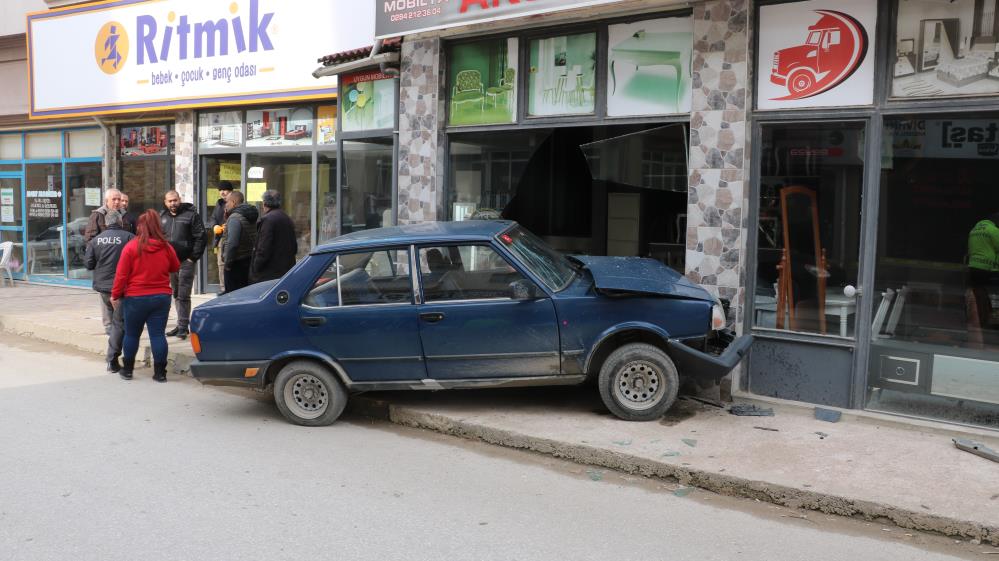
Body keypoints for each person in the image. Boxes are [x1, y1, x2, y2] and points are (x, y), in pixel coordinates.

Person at [110, 209, 180, 382]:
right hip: (161, 297)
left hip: (135, 298)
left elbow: (121, 275)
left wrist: (115, 295)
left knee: (132, 334)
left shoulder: (131, 247)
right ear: (157, 226)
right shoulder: (166, 247)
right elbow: (175, 267)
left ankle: (127, 370)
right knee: (157, 335)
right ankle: (160, 373)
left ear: (140, 226)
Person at [83, 209, 135, 373]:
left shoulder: (96, 240)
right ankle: (113, 359)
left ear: (105, 224)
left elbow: (88, 264)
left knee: (116, 324)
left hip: (104, 288)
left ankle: (115, 358)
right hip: (122, 288)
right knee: (120, 325)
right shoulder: (129, 238)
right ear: (120, 222)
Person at [160, 190, 206, 339]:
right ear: (165, 202)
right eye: (170, 201)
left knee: (183, 295)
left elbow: (201, 237)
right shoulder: (162, 217)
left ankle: (183, 326)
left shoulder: (191, 215)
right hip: (169, 262)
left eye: (175, 200)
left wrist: (192, 258)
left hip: (186, 261)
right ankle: (182, 325)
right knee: (176, 293)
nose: (173, 203)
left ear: (179, 199)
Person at [251, 190, 297, 283]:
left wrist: (256, 267)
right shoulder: (286, 217)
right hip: (285, 269)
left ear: (264, 203)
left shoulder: (268, 220)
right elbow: (294, 246)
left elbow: (263, 247)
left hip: (269, 273)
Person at [967, 212, 999, 337]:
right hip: (989, 270)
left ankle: (979, 320)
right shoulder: (993, 230)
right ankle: (991, 321)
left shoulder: (974, 230)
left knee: (979, 297)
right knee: (991, 296)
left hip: (973, 268)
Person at [221, 190, 258, 292]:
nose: (226, 205)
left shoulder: (235, 218)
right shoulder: (249, 215)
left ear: (233, 202)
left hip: (236, 263)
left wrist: (228, 264)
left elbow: (232, 243)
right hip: (248, 260)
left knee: (233, 296)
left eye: (227, 202)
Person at [211, 182, 234, 292]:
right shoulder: (219, 203)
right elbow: (214, 217)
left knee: (232, 263)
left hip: (233, 237)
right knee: (221, 264)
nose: (223, 192)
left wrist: (229, 226)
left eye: (225, 190)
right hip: (221, 238)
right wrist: (215, 226)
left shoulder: (235, 203)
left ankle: (233, 289)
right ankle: (223, 289)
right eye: (220, 190)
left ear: (231, 191)